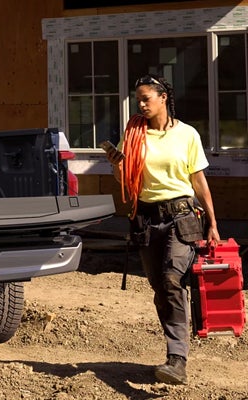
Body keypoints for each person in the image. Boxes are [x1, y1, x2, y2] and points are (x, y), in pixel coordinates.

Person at [104, 74, 220, 385]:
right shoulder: (133, 135)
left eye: (146, 99)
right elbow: (124, 178)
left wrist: (212, 222)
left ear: (163, 98)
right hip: (146, 220)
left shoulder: (187, 135)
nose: (141, 105)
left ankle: (177, 359)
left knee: (172, 279)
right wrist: (116, 164)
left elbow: (198, 181)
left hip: (181, 218)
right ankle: (174, 351)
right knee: (160, 287)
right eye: (138, 100)